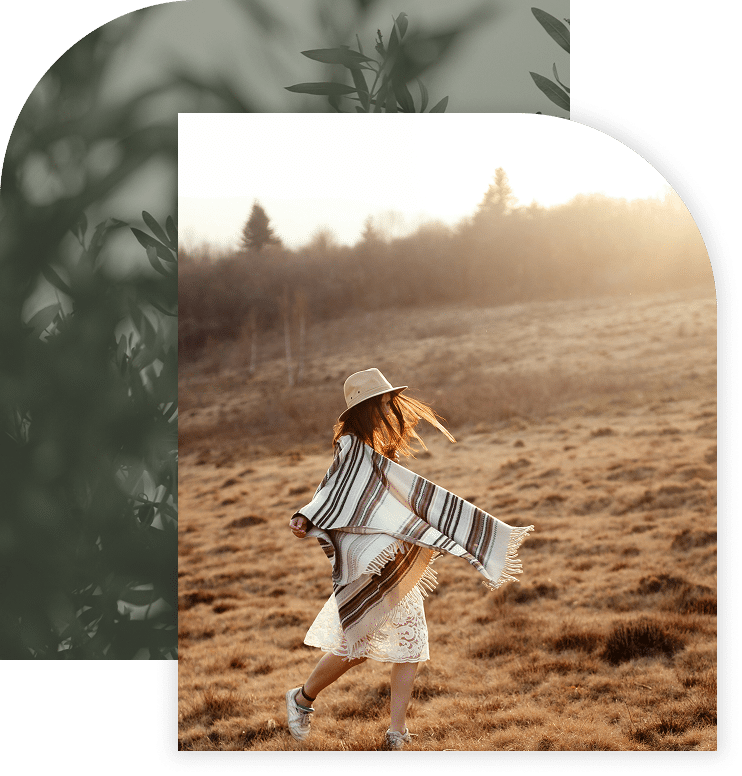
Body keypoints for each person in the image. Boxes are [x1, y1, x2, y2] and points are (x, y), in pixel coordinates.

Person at [285, 368, 534, 750]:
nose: (390, 406)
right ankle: (302, 699)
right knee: (356, 647)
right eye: (382, 402)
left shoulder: (377, 446)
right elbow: (331, 488)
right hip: (372, 559)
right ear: (366, 407)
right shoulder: (352, 445)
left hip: (397, 556)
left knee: (410, 644)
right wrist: (306, 513)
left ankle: (396, 733)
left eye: (389, 401)